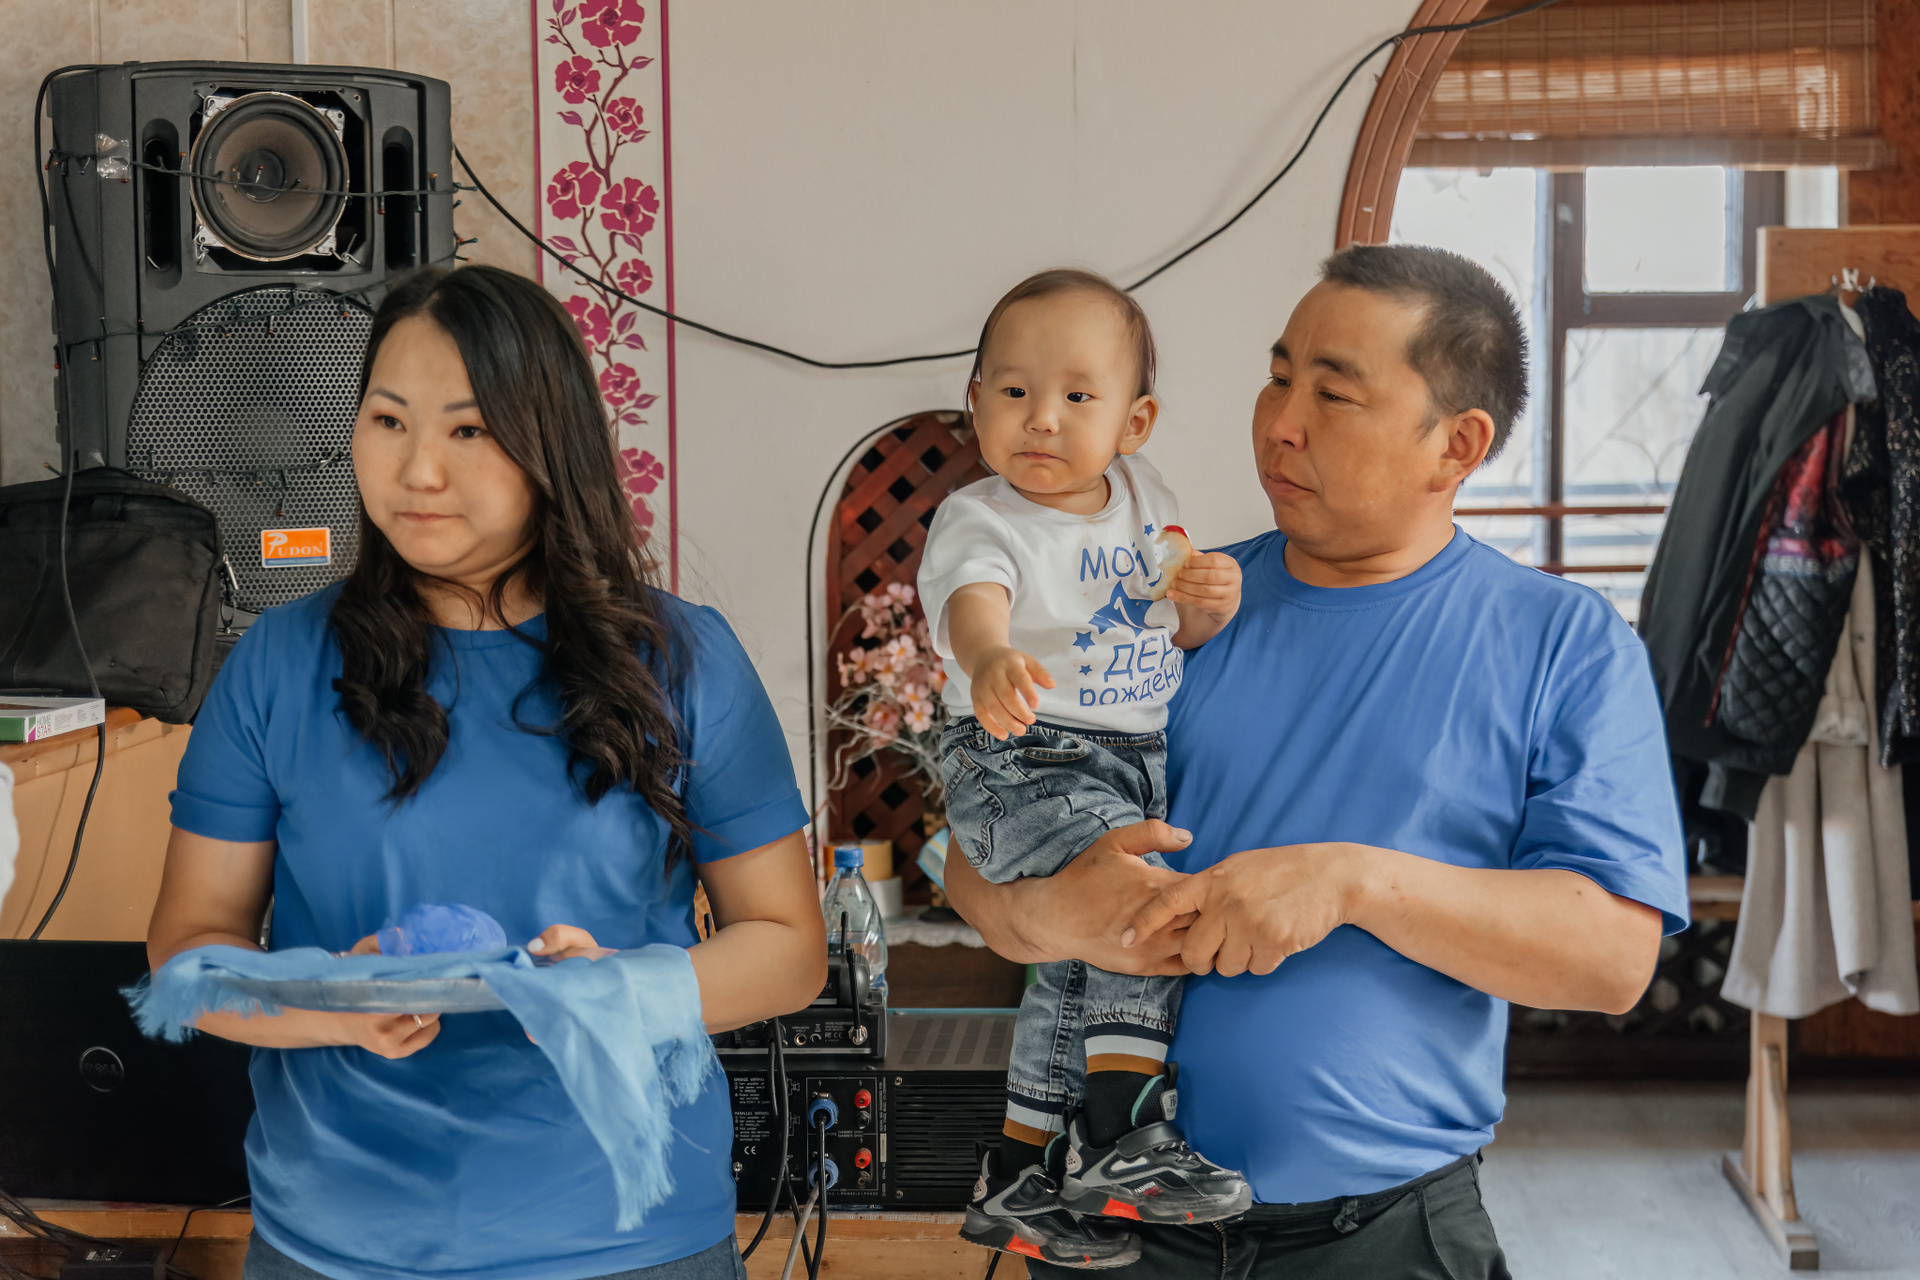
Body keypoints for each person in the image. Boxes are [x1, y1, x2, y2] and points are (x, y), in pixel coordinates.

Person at [946, 245, 1690, 1279]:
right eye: (1278, 375)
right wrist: (1045, 915)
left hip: (1384, 1234)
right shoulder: (1171, 612)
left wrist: (1350, 882)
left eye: (1333, 393)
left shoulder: (1562, 643)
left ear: (1458, 444)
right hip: (1117, 1233)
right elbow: (972, 858)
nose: (1280, 422)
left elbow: (1610, 959)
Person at [145, 265, 825, 1280]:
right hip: (336, 1246)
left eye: (468, 430)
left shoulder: (683, 659)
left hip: (631, 1243)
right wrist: (332, 999)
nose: (418, 470)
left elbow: (789, 948)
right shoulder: (279, 662)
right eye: (388, 420)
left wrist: (621, 990)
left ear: (552, 441)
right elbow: (188, 952)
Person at [917, 269, 1249, 1269]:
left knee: (1067, 963)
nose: (1042, 418)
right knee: (1132, 907)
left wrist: (1207, 604)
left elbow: (1172, 623)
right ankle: (1121, 1129)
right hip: (1022, 752)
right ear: (975, 403)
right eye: (1014, 391)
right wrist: (989, 658)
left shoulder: (1148, 499)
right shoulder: (983, 518)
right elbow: (972, 604)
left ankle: (1022, 1170)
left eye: (1076, 395)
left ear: (1134, 422)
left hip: (1127, 757)